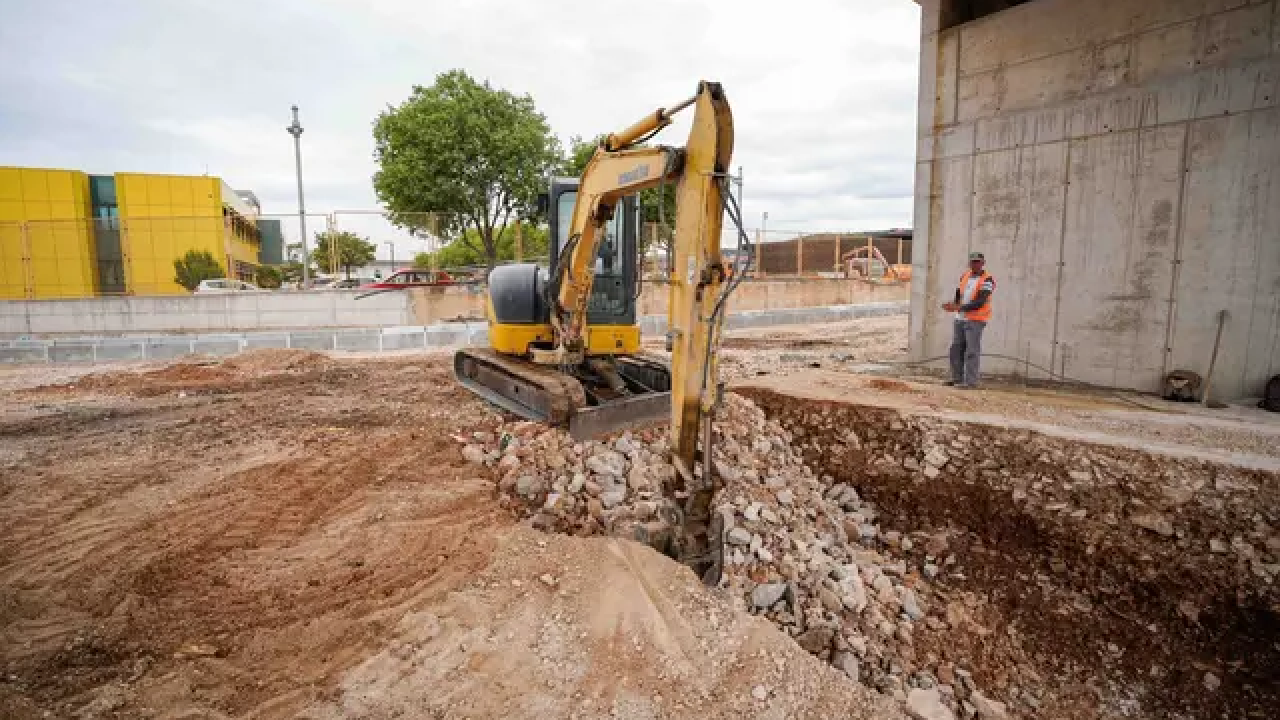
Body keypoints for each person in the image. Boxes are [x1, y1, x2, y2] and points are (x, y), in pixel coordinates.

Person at [942, 251, 995, 388]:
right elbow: (959, 293)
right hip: (960, 318)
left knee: (971, 350)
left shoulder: (987, 280)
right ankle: (957, 379)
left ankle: (970, 382)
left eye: (977, 262)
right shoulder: (964, 276)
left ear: (983, 263)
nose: (975, 264)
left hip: (976, 319)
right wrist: (954, 305)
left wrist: (959, 307)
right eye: (972, 262)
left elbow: (980, 302)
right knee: (956, 349)